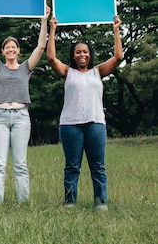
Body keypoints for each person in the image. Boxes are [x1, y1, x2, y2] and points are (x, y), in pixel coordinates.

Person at [47, 15, 122, 210]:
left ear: (90, 54)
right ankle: (70, 201)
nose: (82, 55)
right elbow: (51, 58)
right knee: (72, 166)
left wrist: (116, 30)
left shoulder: (98, 71)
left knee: (98, 166)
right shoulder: (67, 72)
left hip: (95, 123)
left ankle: (101, 202)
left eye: (85, 52)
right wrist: (52, 29)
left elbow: (118, 57)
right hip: (70, 125)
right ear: (73, 55)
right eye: (78, 52)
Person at [0, 3, 49, 204]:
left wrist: (44, 20)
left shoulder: (26, 68)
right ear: (3, 51)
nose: (11, 49)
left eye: (14, 47)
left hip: (21, 117)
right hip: (0, 117)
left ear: (18, 51)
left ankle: (24, 202)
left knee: (20, 163)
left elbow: (41, 47)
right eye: (7, 47)